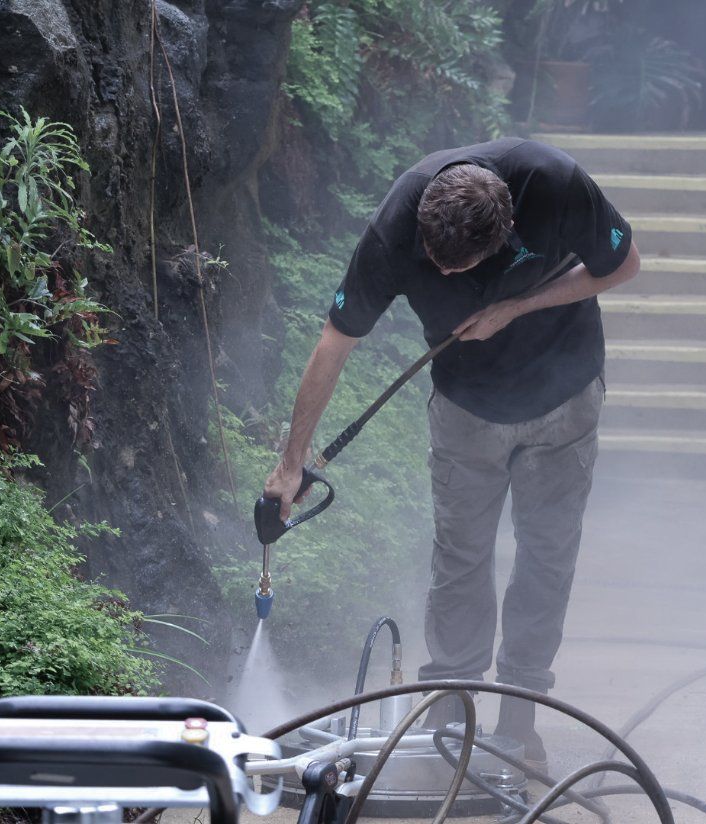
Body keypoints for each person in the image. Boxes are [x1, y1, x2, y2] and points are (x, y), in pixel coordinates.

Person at [264, 137, 640, 765]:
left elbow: (622, 266)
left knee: (546, 557)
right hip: (466, 409)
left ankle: (521, 719)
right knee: (461, 558)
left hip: (564, 401)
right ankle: (451, 721)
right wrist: (290, 462)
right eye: (433, 263)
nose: (439, 277)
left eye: (455, 269)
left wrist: (517, 306)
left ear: (505, 231)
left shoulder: (553, 180)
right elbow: (335, 341)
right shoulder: (394, 229)